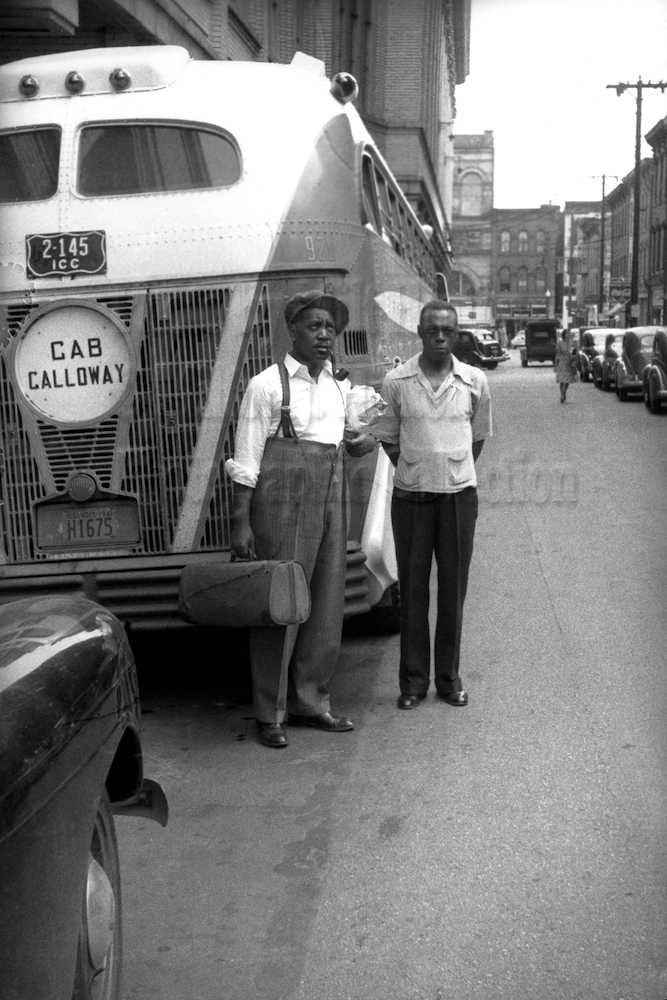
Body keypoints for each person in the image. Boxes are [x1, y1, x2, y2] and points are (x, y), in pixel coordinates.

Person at [225, 290, 377, 747]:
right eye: (314, 326)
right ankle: (269, 714)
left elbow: (346, 438)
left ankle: (312, 702)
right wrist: (240, 521)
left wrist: (358, 443)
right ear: (292, 330)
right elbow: (247, 457)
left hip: (331, 494)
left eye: (330, 328)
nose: (325, 335)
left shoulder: (338, 384)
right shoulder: (267, 385)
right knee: (282, 603)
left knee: (327, 600)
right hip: (282, 498)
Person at [374, 300, 492, 710]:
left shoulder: (474, 380)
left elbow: (477, 437)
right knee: (413, 591)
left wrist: (450, 471)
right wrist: (415, 467)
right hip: (410, 500)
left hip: (459, 499)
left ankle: (449, 679)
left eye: (448, 331)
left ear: (457, 335)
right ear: (420, 334)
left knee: (452, 592)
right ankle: (412, 683)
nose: (440, 338)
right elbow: (387, 436)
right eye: (432, 331)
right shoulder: (397, 381)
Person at [554, 329, 578, 402]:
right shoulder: (560, 343)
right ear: (564, 335)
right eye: (567, 333)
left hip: (569, 363)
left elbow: (575, 353)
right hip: (562, 362)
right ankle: (562, 394)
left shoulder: (571, 343)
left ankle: (564, 392)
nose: (568, 335)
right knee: (562, 379)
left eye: (569, 333)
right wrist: (555, 364)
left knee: (568, 379)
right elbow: (557, 354)